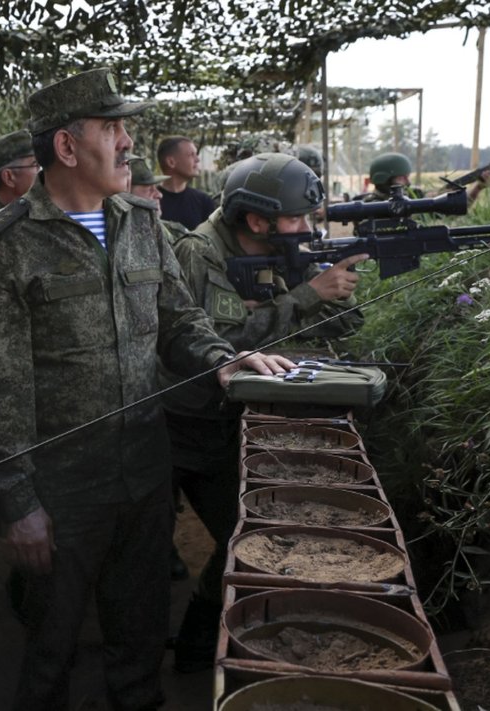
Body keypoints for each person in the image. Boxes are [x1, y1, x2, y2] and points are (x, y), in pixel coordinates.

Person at [0, 68, 294, 710]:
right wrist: (18, 501)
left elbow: (179, 319)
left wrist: (223, 361)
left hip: (143, 471)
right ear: (66, 147)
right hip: (60, 489)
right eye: (112, 128)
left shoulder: (142, 223)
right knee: (51, 649)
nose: (127, 141)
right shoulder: (5, 247)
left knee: (139, 637)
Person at [160, 152, 367, 673]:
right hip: (178, 426)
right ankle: (166, 659)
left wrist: (324, 287)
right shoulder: (200, 253)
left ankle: (198, 642)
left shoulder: (275, 248)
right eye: (297, 219)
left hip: (228, 420)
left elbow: (346, 325)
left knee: (243, 534)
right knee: (146, 555)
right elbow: (223, 346)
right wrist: (303, 296)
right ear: (257, 221)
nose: (305, 228)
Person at [364, 151, 490, 204]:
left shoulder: (415, 195)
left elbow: (459, 206)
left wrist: (478, 187)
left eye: (407, 177)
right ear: (384, 179)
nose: (408, 182)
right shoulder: (370, 205)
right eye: (402, 178)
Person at [156, 135, 215, 229]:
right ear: (171, 162)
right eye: (191, 154)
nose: (197, 159)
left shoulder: (204, 201)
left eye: (196, 154)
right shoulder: (153, 199)